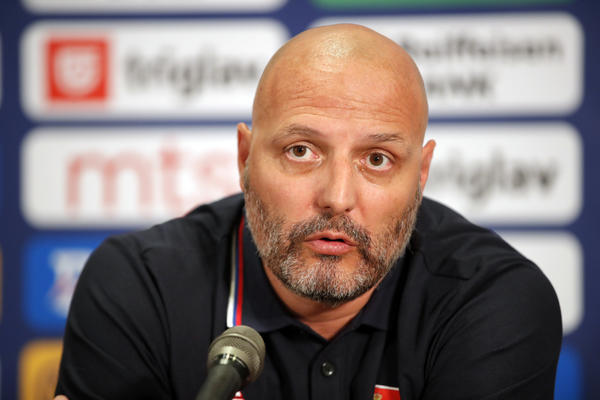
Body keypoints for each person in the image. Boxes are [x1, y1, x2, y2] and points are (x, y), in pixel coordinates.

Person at [54, 24, 562, 399]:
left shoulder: (491, 300)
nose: (337, 197)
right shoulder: (139, 287)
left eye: (377, 159)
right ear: (245, 158)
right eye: (301, 150)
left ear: (421, 174)